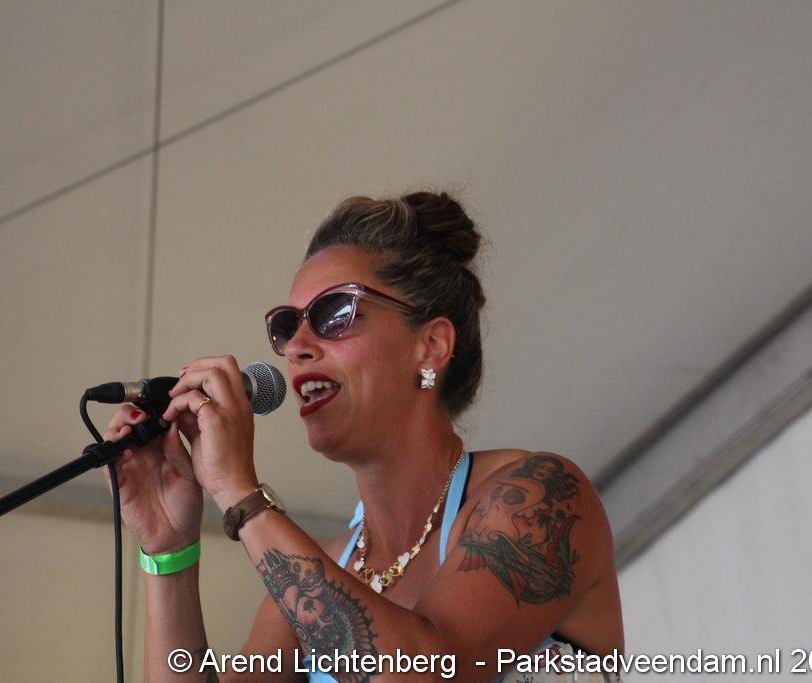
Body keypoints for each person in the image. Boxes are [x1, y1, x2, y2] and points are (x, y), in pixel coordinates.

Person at [105, 191, 624, 682]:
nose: (296, 346)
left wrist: (241, 494)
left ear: (431, 345)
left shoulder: (539, 496)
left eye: (335, 313)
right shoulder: (309, 581)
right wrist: (169, 550)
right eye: (287, 326)